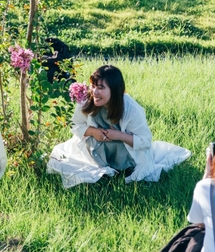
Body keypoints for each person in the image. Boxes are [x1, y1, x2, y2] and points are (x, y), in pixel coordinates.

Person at [46, 65, 190, 188]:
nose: (95, 92)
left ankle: (122, 168)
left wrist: (119, 135)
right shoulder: (87, 102)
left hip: (124, 153)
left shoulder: (131, 109)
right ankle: (103, 167)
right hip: (96, 150)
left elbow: (145, 141)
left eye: (101, 88)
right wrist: (93, 131)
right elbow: (75, 124)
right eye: (93, 86)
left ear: (114, 90)